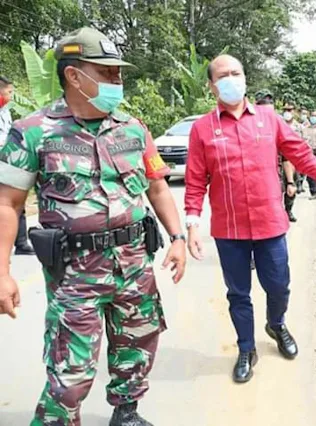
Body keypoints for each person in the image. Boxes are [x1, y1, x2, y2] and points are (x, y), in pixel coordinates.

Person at [0, 27, 187, 426]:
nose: (117, 82)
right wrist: (2, 273)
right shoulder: (32, 132)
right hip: (75, 276)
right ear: (73, 76)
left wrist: (177, 237)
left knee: (137, 347)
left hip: (135, 265)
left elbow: (157, 186)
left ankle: (126, 413)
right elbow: (7, 204)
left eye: (118, 74)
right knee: (70, 373)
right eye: (107, 74)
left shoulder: (133, 128)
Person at [184, 54, 316, 384]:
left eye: (236, 72)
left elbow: (302, 156)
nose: (231, 78)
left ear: (245, 77)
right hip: (230, 228)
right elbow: (195, 180)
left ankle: (276, 324)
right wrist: (192, 224)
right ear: (212, 86)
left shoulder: (270, 119)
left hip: (270, 223)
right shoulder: (202, 129)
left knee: (278, 286)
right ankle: (246, 348)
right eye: (223, 75)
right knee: (238, 293)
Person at [0, 76, 35, 256]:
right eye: (9, 92)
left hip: (6, 163)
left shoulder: (5, 110)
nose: (11, 96)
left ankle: (21, 243)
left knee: (15, 202)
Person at [281, 103, 303, 222]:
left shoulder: (299, 127)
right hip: (278, 160)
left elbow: (302, 144)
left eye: (289, 110)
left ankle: (288, 210)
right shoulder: (277, 124)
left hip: (293, 161)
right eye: (285, 110)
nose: (287, 112)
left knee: (291, 186)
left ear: (294, 111)